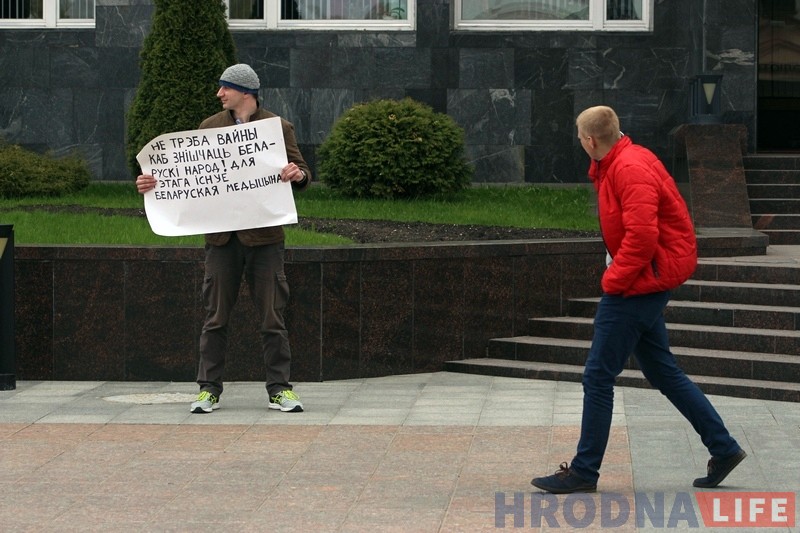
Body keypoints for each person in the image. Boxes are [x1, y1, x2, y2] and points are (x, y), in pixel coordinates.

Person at [530, 105, 746, 494]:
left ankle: (583, 471)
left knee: (598, 375)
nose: (581, 143)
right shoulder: (622, 161)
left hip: (639, 283)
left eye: (580, 137)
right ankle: (724, 448)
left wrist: (614, 280)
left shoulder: (629, 168)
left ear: (590, 140)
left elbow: (643, 238)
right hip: (645, 280)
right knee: (662, 371)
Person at [136, 63, 311, 414]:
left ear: (245, 92)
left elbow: (303, 173)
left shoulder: (277, 128)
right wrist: (150, 185)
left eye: (225, 88)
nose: (219, 94)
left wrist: (298, 174)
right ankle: (208, 390)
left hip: (264, 240)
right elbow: (193, 176)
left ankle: (280, 389)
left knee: (272, 318)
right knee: (215, 317)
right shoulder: (208, 129)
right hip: (220, 241)